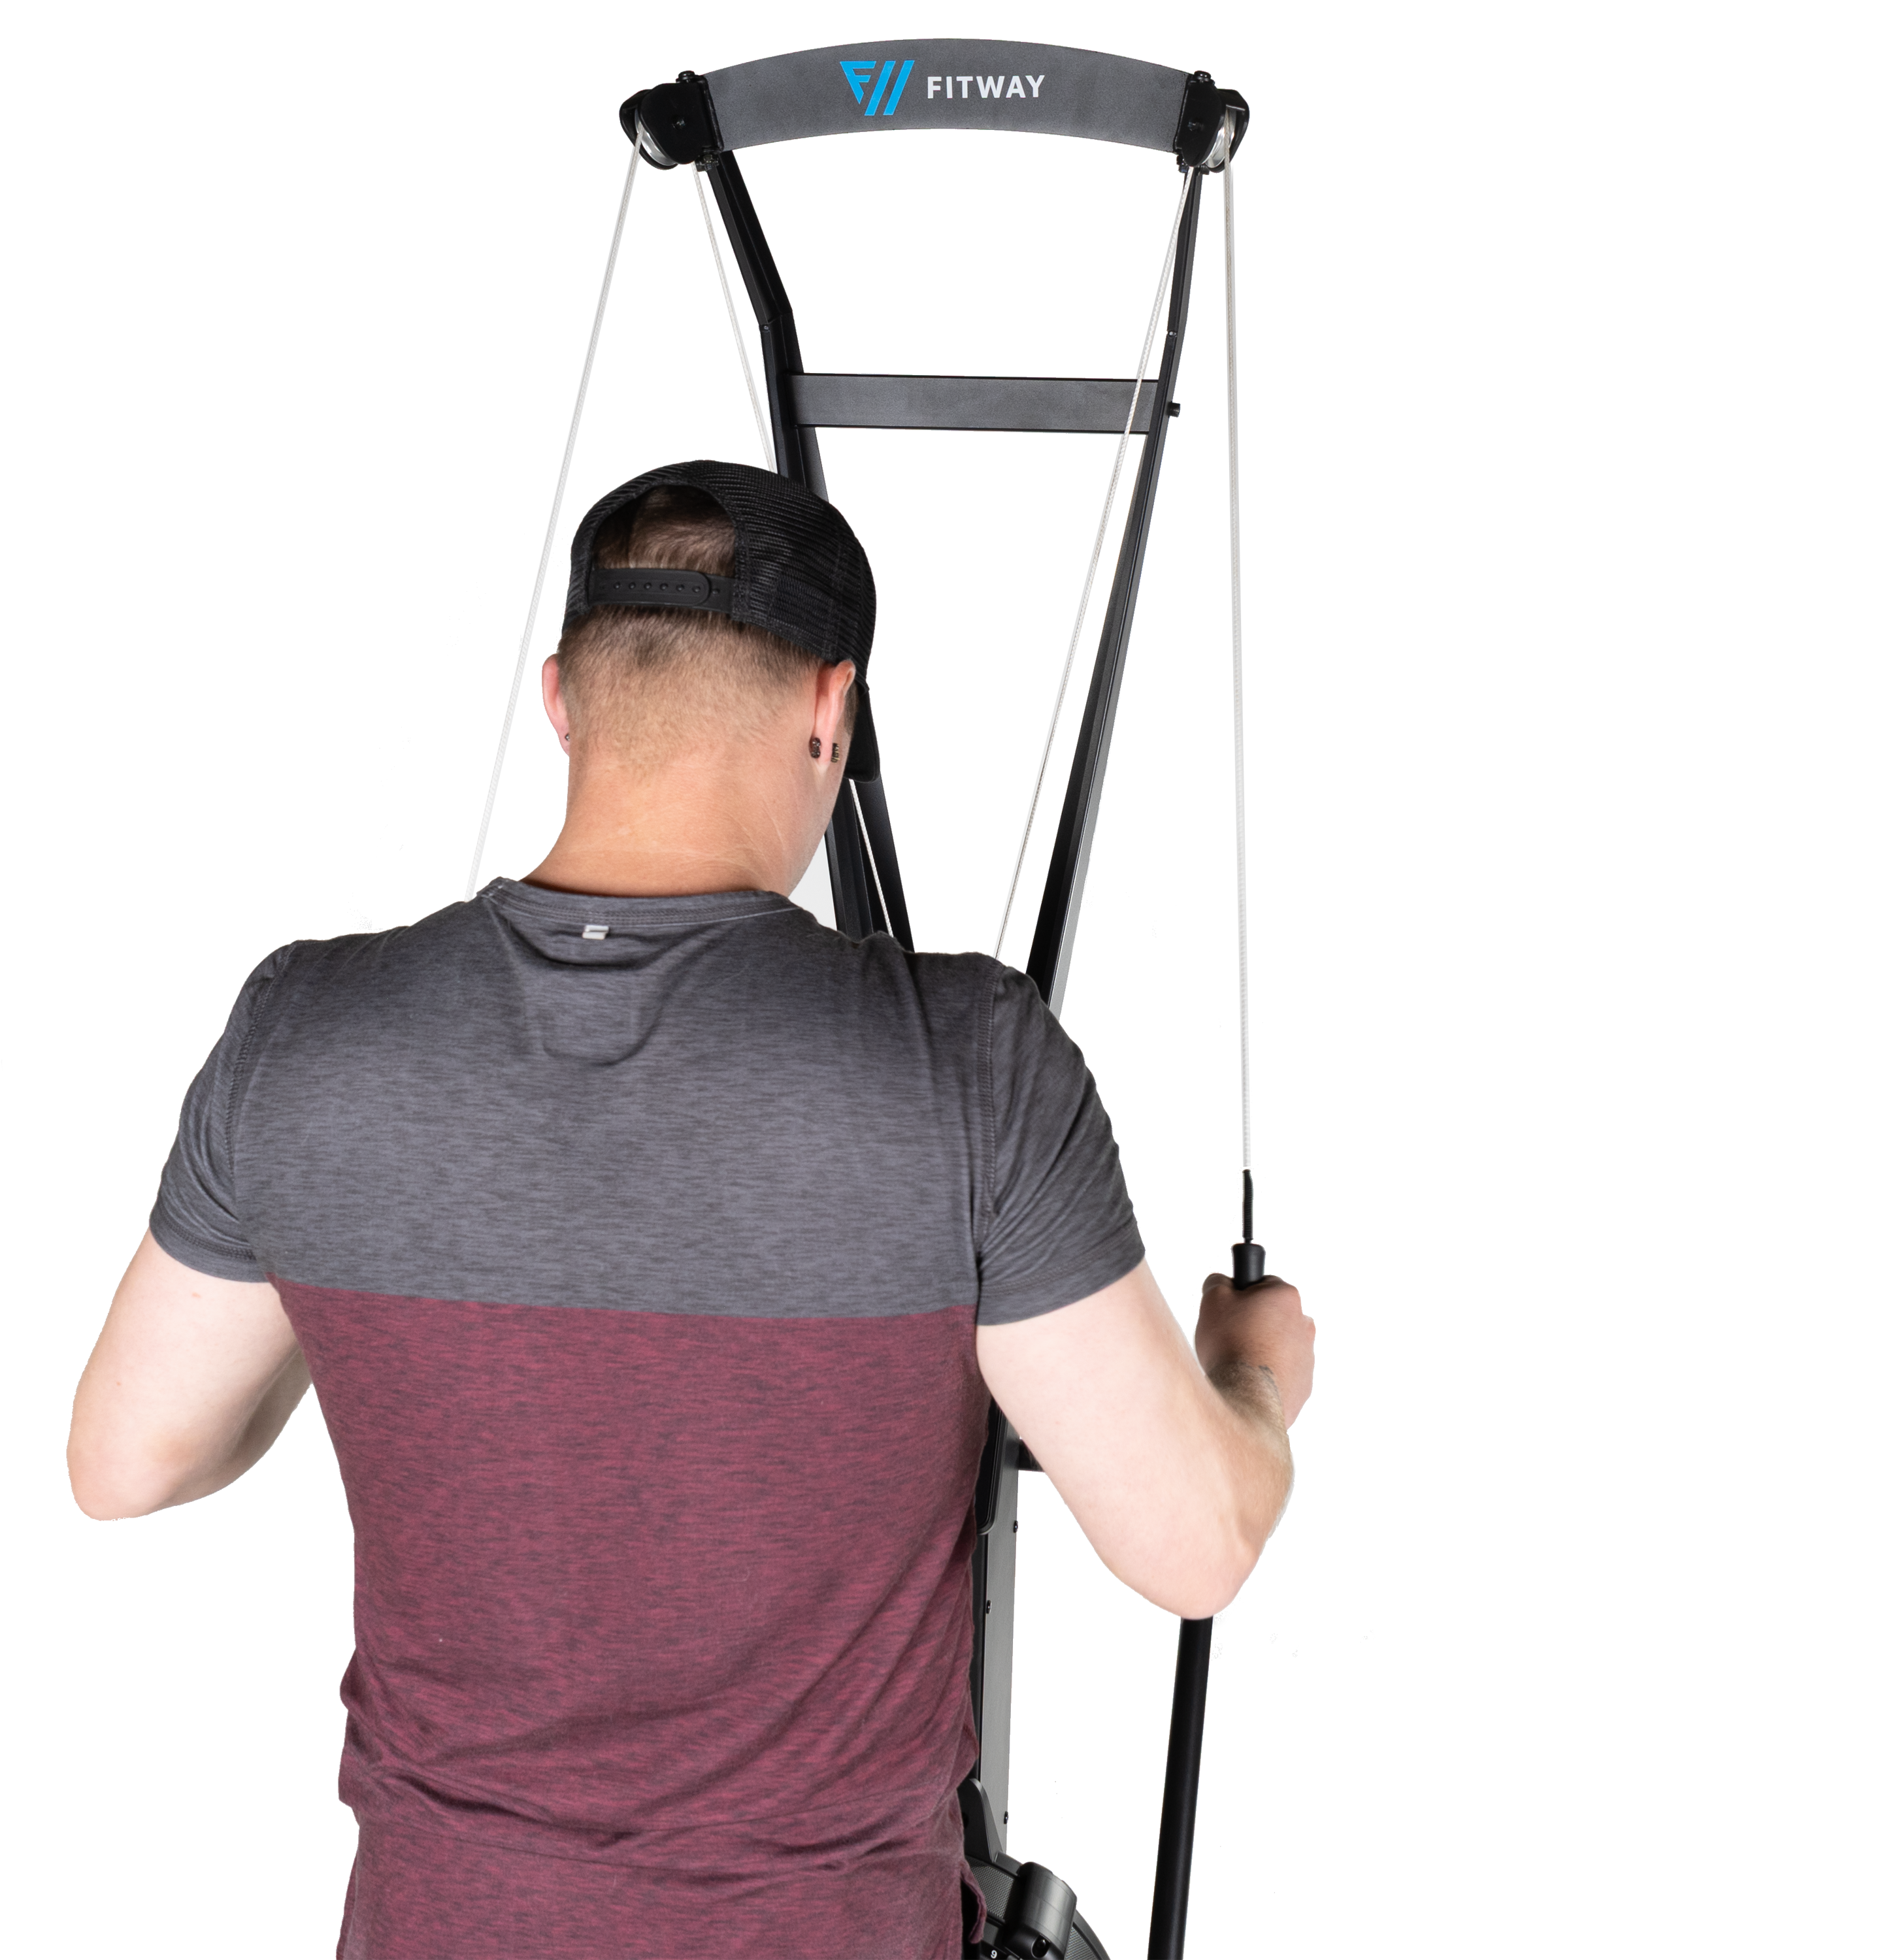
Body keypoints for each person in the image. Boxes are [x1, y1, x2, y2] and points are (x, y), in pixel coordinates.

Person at [67, 459, 1315, 1960]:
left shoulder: (304, 1030)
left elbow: (127, 1461)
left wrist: (358, 1300)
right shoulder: (973, 1061)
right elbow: (1193, 1548)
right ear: (831, 710)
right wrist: (1252, 1375)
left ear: (561, 700)